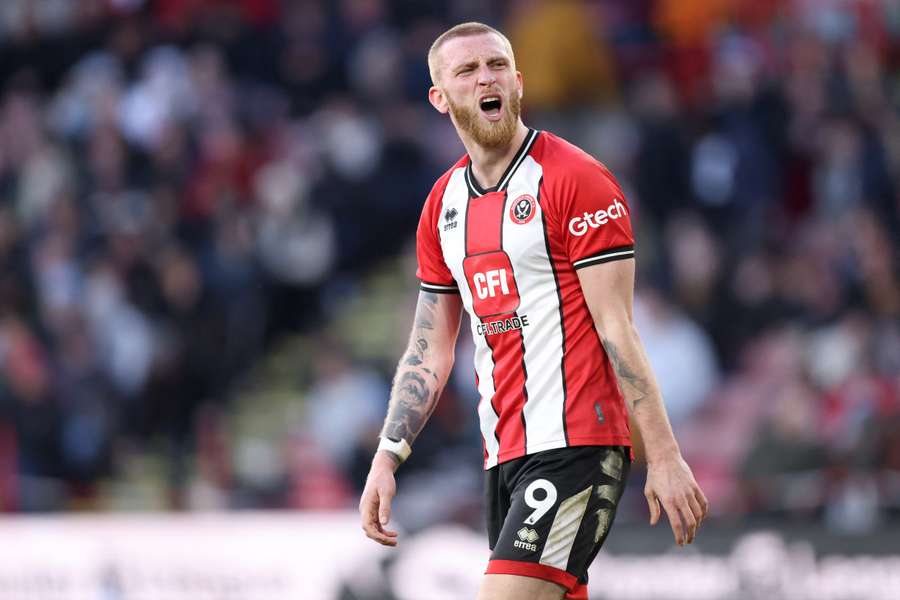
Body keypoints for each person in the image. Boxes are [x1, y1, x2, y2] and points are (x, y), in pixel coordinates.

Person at [359, 22, 709, 600]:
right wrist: (388, 455)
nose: (485, 78)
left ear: (518, 81)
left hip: (578, 448)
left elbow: (617, 328)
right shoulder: (441, 207)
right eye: (466, 71)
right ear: (439, 97)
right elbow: (430, 347)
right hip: (504, 455)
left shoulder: (576, 180)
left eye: (496, 65)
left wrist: (665, 456)